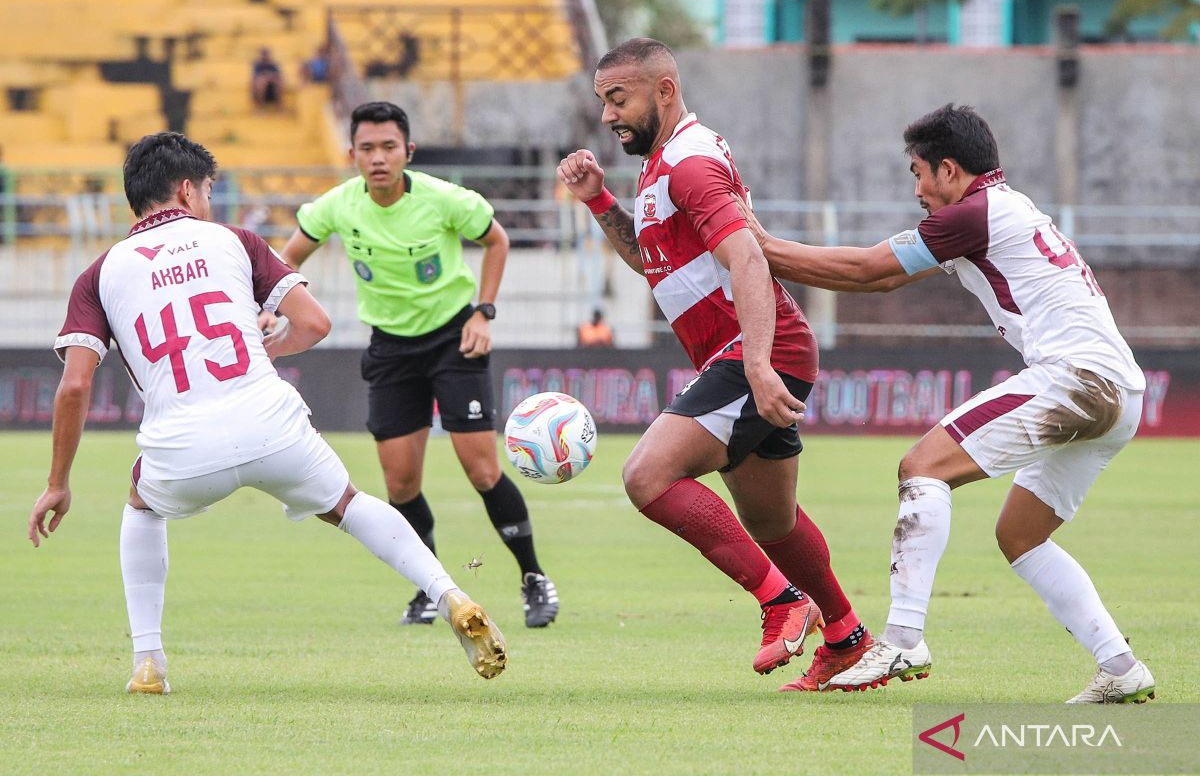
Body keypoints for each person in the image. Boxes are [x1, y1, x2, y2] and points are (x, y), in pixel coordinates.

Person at [26, 132, 507, 694]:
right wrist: (263, 351)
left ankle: (148, 662)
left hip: (182, 448)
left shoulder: (99, 274)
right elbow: (315, 324)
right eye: (207, 190)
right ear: (186, 190)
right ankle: (449, 594)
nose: (209, 202)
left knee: (141, 508)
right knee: (349, 505)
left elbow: (74, 387)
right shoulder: (235, 240)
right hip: (271, 424)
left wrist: (58, 482)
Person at [738, 104, 1155, 703]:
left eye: (918, 173)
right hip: (1123, 391)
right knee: (1022, 536)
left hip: (1076, 378)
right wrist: (766, 246)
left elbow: (867, 272)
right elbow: (881, 276)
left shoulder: (974, 213)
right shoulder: (1001, 208)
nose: (917, 190)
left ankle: (904, 637)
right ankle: (1119, 665)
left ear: (950, 169)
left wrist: (754, 243)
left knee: (921, 467)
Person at [557, 38, 872, 690]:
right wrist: (598, 201)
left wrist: (757, 362)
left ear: (664, 90)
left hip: (755, 350)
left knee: (647, 475)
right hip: (755, 352)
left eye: (619, 99)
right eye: (603, 103)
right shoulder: (660, 166)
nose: (609, 115)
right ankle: (845, 637)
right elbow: (656, 267)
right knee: (771, 520)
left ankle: (784, 602)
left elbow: (749, 258)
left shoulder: (690, 166)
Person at [277, 101, 560, 628]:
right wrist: (279, 305)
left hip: (455, 340)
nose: (378, 158)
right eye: (367, 149)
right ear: (352, 155)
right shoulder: (336, 207)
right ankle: (430, 589)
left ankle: (533, 577)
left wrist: (484, 312)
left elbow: (496, 240)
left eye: (389, 147)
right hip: (389, 347)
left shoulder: (444, 199)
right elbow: (286, 260)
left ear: (408, 151)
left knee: (481, 469)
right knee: (400, 483)